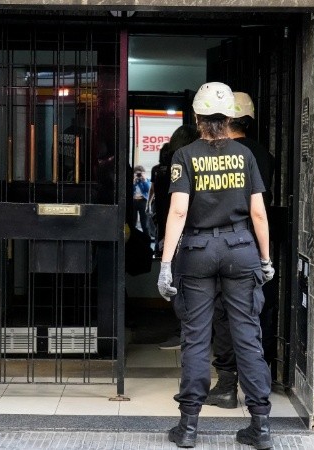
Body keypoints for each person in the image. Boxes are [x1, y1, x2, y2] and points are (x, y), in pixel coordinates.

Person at [157, 82, 275, 449]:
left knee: (195, 337)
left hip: (197, 250)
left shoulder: (184, 155)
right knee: (247, 336)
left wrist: (165, 263)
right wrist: (265, 259)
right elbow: (258, 212)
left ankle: (188, 428)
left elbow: (178, 211)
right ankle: (260, 427)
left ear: (196, 117)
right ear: (229, 117)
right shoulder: (245, 155)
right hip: (241, 249)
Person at [206, 92, 277, 409]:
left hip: (221, 243)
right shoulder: (264, 155)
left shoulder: (218, 153)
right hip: (253, 244)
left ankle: (226, 386)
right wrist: (266, 256)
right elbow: (260, 210)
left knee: (223, 315)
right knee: (254, 314)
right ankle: (259, 387)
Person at [151, 125, 201, 351]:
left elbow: (168, 207)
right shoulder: (191, 162)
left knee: (178, 283)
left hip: (174, 231)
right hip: (197, 234)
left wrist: (164, 237)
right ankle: (191, 333)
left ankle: (185, 332)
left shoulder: (169, 167)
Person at [132, 165, 151, 234]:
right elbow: (129, 190)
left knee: (144, 221)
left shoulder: (146, 180)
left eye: (140, 173)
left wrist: (144, 180)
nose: (138, 175)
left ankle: (146, 236)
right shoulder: (133, 181)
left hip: (143, 201)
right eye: (137, 174)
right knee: (133, 220)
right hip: (134, 201)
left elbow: (148, 190)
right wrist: (133, 182)